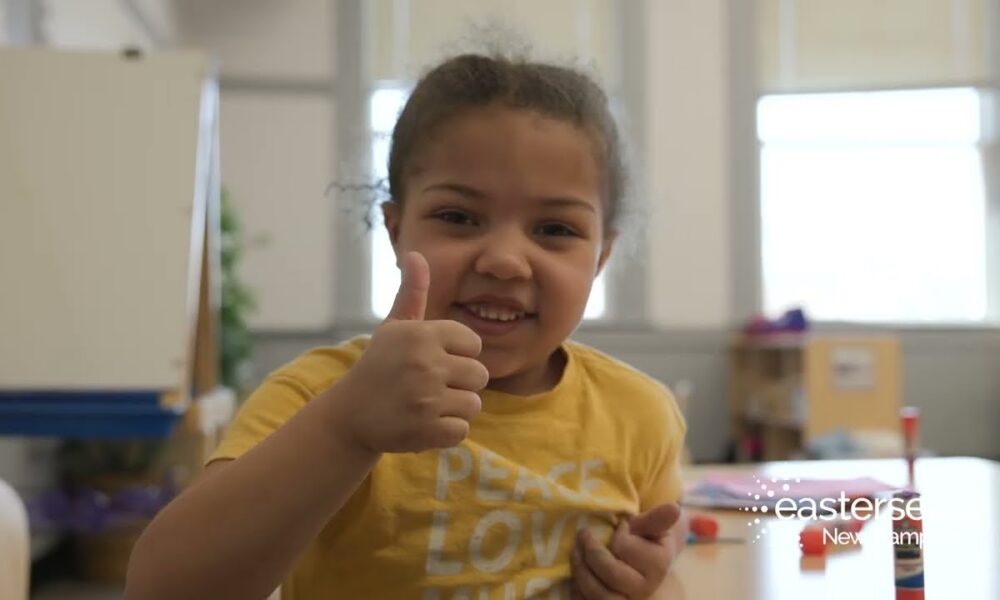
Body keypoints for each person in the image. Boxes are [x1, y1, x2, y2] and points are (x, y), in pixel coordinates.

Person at [126, 52, 688, 600]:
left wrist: (648, 574)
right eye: (458, 217)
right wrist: (346, 429)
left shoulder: (640, 412)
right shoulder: (322, 395)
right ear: (396, 231)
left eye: (555, 229)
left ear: (601, 257)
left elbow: (666, 541)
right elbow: (162, 587)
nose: (505, 260)